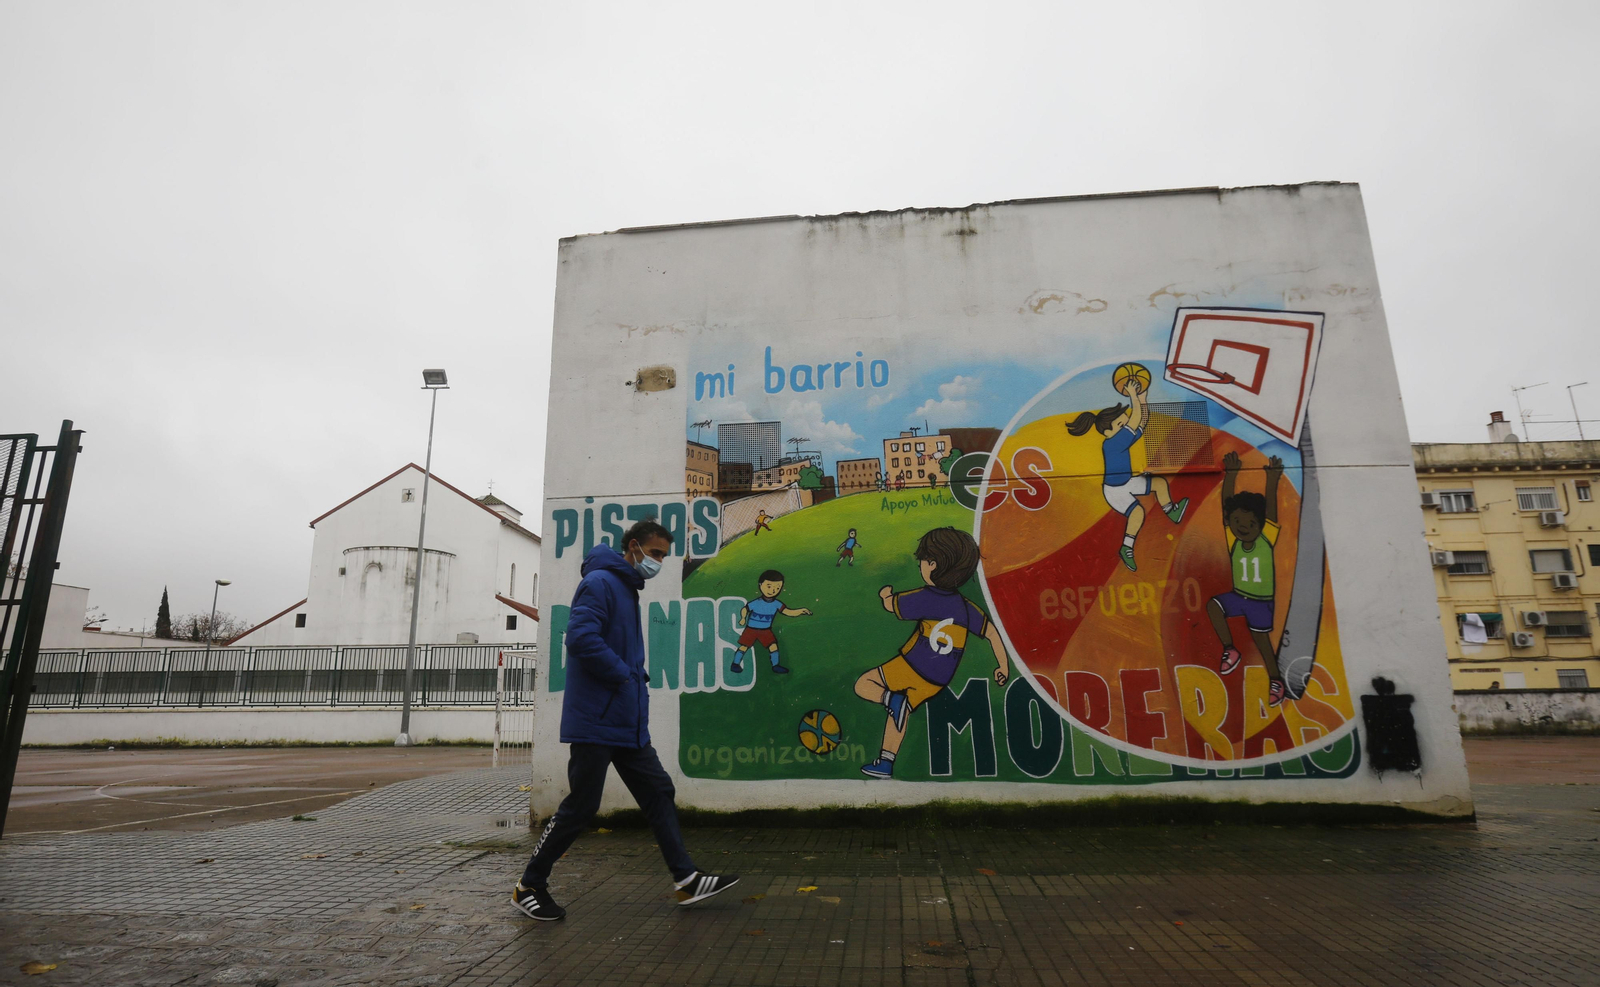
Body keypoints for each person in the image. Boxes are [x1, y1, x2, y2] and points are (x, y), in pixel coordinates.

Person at [513, 518, 737, 921]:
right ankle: (530, 885)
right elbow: (580, 638)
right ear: (633, 546)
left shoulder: (626, 588)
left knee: (658, 792)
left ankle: (686, 879)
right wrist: (623, 673)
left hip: (626, 722)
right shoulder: (600, 582)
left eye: (664, 557)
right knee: (581, 807)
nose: (658, 563)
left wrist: (635, 677)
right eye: (654, 554)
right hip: (597, 720)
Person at [852, 527, 1011, 779]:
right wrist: (1003, 666)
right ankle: (886, 762)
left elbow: (891, 606)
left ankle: (891, 701)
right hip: (937, 680)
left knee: (864, 684)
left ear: (933, 565)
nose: (920, 566)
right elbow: (991, 633)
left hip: (912, 665)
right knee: (900, 712)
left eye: (924, 561)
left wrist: (885, 595)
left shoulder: (926, 597)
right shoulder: (966, 607)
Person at [1066, 376, 1188, 572]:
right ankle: (1127, 548)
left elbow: (1141, 424)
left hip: (1127, 481)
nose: (1125, 427)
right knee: (1137, 512)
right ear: (1107, 432)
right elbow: (1136, 419)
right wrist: (1133, 396)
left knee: (1159, 483)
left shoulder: (1119, 437)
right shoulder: (1113, 442)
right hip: (1115, 491)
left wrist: (1143, 400)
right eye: (1120, 425)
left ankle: (1171, 511)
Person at [1206, 451, 1290, 706]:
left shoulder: (1266, 538)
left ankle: (1275, 679)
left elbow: (1272, 511)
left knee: (1262, 641)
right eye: (1236, 521)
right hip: (1238, 597)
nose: (1242, 527)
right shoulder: (1234, 541)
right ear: (1229, 522)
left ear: (1260, 524)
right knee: (1214, 606)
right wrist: (1231, 475)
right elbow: (1225, 505)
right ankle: (1230, 649)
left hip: (1261, 602)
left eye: (1249, 523)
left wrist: (1272, 480)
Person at [729, 569, 812, 675]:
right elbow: (745, 609)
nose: (773, 590)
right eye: (769, 586)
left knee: (773, 646)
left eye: (777, 588)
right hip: (751, 629)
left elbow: (788, 612)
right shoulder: (757, 602)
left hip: (765, 630)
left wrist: (800, 611)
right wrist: (743, 618)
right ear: (760, 585)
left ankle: (775, 665)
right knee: (744, 646)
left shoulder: (777, 603)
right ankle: (735, 664)